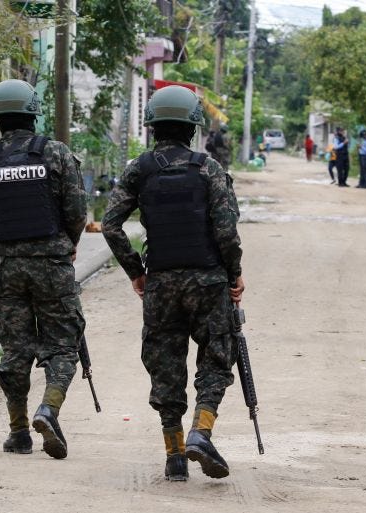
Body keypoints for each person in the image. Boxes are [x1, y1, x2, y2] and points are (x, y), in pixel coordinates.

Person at [101, 85, 245, 482]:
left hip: (161, 283)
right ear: (193, 127)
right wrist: (234, 275)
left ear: (153, 126)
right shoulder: (208, 168)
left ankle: (175, 456)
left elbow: (110, 225)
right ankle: (202, 432)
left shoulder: (139, 169)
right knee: (216, 360)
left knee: (166, 368)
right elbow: (227, 231)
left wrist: (136, 271)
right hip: (208, 282)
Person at [0, 79, 88, 460]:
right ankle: (49, 409)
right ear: (33, 113)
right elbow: (77, 212)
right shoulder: (57, 154)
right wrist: (68, 242)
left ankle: (18, 432)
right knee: (63, 344)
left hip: (8, 267)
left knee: (15, 349)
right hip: (53, 266)